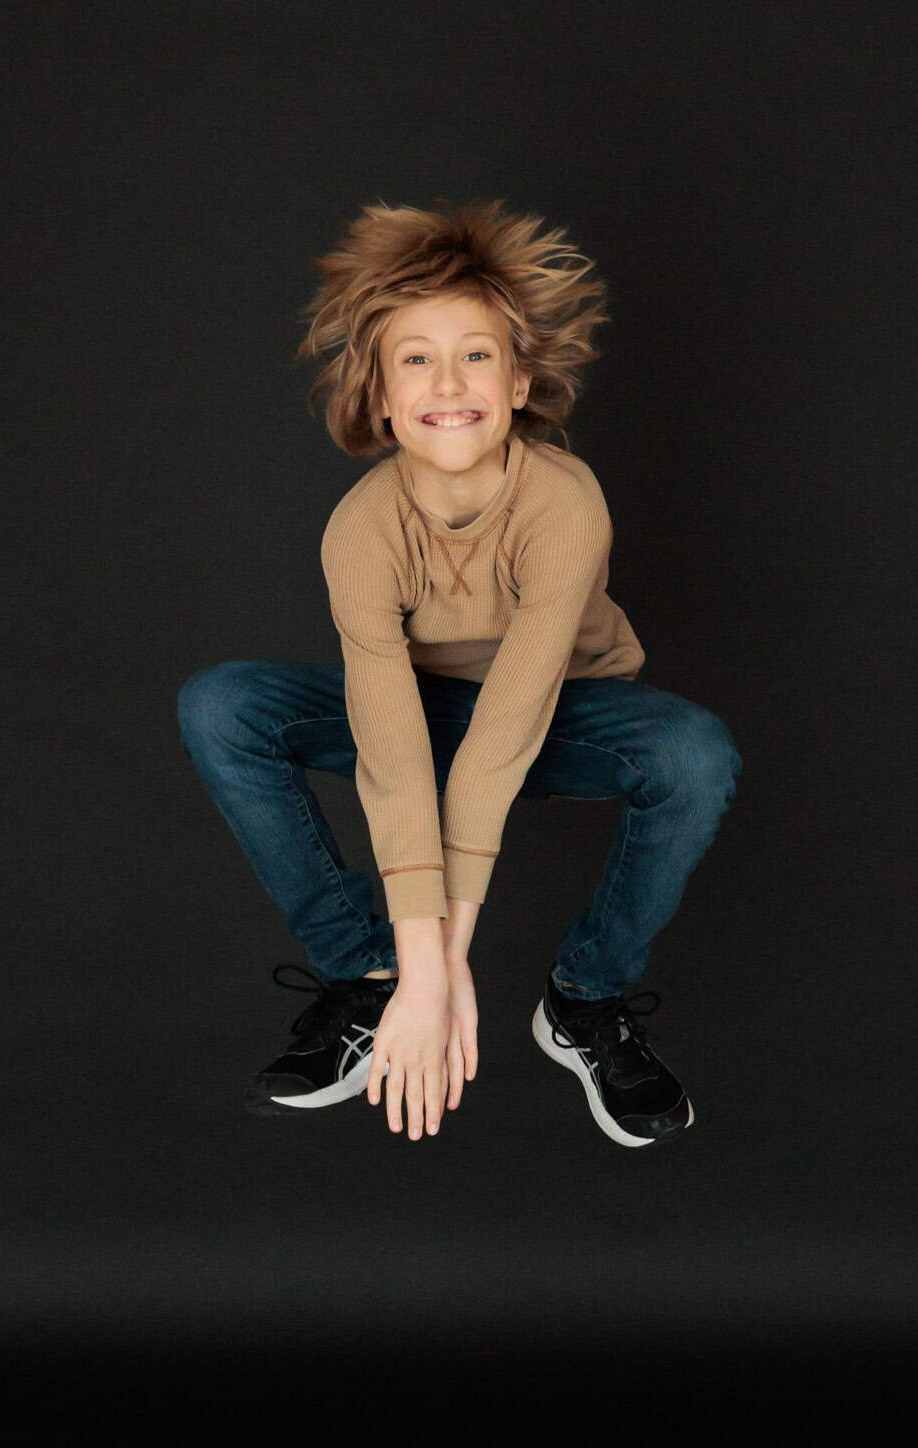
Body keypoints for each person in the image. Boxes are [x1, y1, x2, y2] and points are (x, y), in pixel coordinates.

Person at [178, 196, 742, 1147]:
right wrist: (415, 974)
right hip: (419, 710)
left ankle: (584, 1001)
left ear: (519, 383)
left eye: (476, 354)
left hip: (561, 711)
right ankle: (365, 980)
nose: (449, 380)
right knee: (223, 704)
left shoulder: (563, 505)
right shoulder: (361, 531)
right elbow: (395, 755)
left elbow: (503, 738)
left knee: (692, 752)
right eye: (415, 359)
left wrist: (447, 961)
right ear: (381, 400)